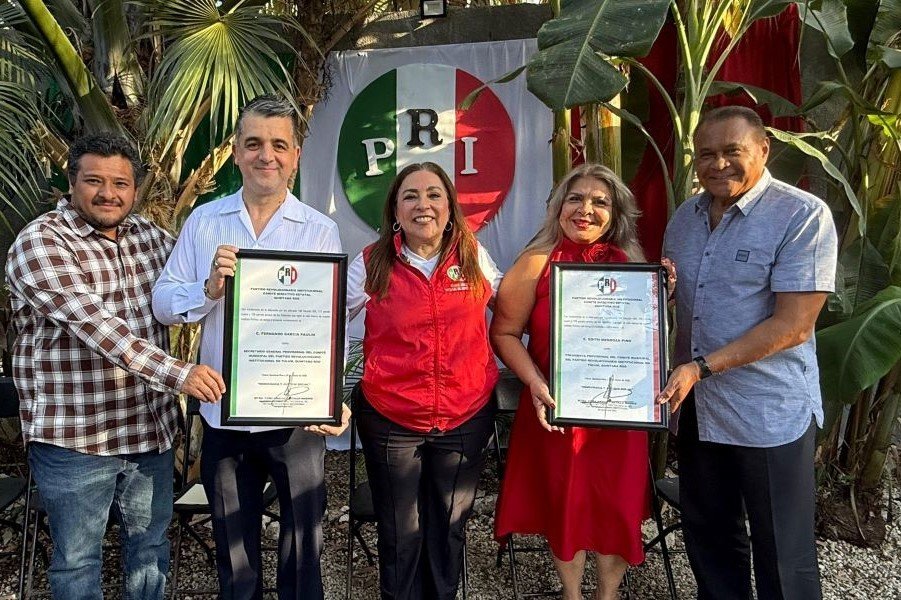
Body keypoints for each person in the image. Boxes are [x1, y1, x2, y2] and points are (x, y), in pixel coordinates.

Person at [6, 133, 225, 600]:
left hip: (149, 433)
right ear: (71, 182)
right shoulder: (41, 243)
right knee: (77, 561)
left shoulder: (153, 239)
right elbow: (99, 328)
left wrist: (219, 286)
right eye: (94, 181)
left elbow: (197, 292)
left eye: (121, 183)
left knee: (150, 550)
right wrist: (181, 374)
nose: (109, 193)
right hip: (76, 439)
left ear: (135, 188)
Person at [152, 94, 350, 600]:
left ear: (296, 156)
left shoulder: (319, 230)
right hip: (225, 416)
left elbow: (335, 322)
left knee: (303, 551)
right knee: (235, 557)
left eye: (279, 145)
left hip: (296, 421)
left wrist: (333, 394)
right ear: (237, 152)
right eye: (255, 143)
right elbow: (162, 304)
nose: (267, 156)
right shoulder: (205, 223)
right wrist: (208, 290)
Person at [659, 105, 837, 600]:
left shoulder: (801, 216)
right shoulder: (685, 218)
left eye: (732, 151)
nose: (718, 165)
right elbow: (678, 297)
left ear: (763, 149)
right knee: (711, 540)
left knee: (783, 552)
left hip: (768, 411)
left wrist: (701, 367)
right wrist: (656, 293)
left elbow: (793, 326)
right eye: (706, 154)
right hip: (698, 411)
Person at [346, 162, 502, 600]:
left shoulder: (473, 255)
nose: (423, 205)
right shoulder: (371, 262)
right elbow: (326, 321)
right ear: (395, 210)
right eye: (410, 196)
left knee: (449, 529)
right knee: (400, 532)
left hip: (465, 418)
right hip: (391, 419)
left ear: (450, 207)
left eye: (434, 194)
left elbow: (516, 307)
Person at [492, 163, 649, 600]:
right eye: (575, 198)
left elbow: (647, 341)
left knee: (617, 508)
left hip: (620, 415)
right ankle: (572, 594)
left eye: (600, 202)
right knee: (567, 507)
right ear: (558, 207)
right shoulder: (535, 262)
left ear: (615, 214)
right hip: (557, 410)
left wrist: (663, 295)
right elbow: (503, 333)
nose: (585, 209)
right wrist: (534, 382)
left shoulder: (635, 267)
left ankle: (608, 594)